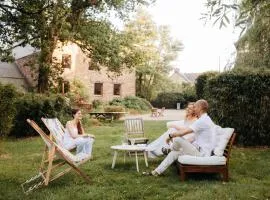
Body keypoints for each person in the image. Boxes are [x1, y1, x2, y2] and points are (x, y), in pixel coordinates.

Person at [144, 99, 216, 176]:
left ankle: (170, 149)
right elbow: (193, 137)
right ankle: (156, 172)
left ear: (200, 108)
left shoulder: (202, 121)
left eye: (195, 107)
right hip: (200, 151)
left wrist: (170, 136)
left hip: (202, 154)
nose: (194, 109)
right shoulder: (205, 119)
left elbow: (183, 132)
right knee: (174, 153)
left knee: (178, 138)